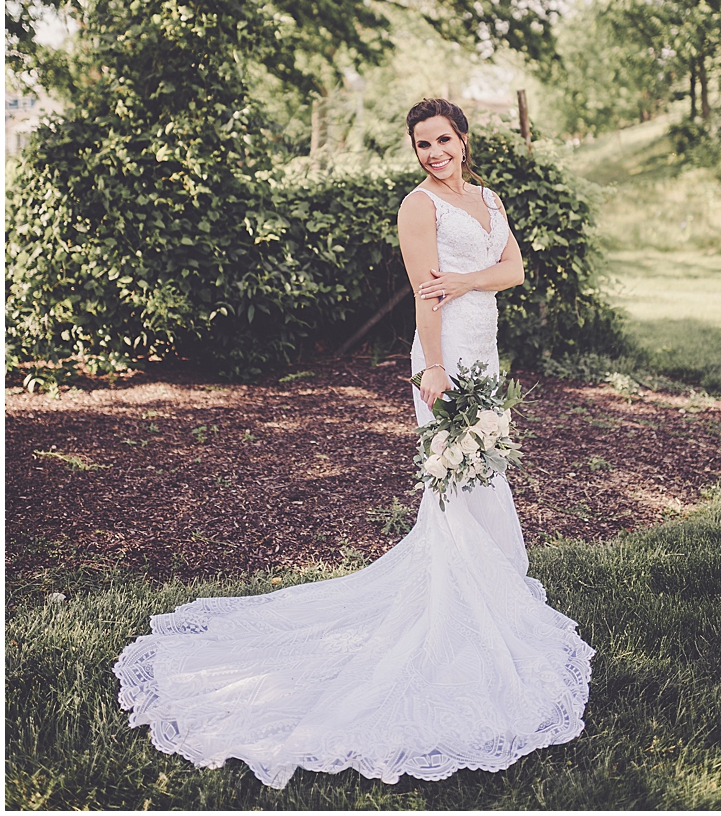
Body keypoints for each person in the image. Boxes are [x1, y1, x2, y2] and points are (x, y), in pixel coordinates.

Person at [114, 98, 593, 789]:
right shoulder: (417, 205)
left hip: (485, 352)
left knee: (482, 480)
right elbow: (425, 295)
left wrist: (465, 278)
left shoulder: (487, 197)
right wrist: (433, 368)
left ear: (464, 139)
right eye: (422, 143)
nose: (434, 152)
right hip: (445, 358)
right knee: (458, 488)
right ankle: (463, 619)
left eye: (443, 140)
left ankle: (488, 603)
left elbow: (513, 269)